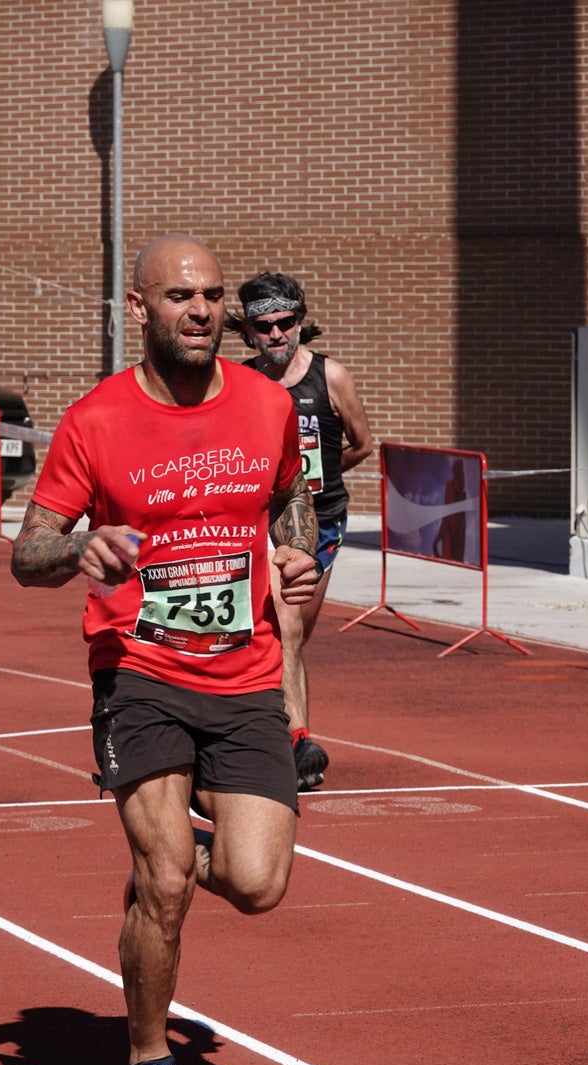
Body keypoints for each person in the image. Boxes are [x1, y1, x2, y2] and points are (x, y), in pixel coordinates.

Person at [10, 234, 321, 1065]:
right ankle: (149, 1062)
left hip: (247, 670)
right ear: (138, 310)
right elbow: (25, 552)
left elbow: (291, 491)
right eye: (182, 297)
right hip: (138, 670)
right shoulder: (96, 419)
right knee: (167, 887)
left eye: (213, 296)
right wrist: (80, 546)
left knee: (257, 886)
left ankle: (169, 855)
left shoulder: (264, 405)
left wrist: (293, 555)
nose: (203, 312)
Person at [227, 272, 373, 790]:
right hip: (265, 522)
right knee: (282, 629)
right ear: (248, 332)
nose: (275, 335)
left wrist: (317, 479)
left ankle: (275, 723)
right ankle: (296, 744)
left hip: (323, 521)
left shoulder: (331, 376)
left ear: (300, 321)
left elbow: (361, 443)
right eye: (263, 327)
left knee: (296, 635)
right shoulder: (241, 384)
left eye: (285, 323)